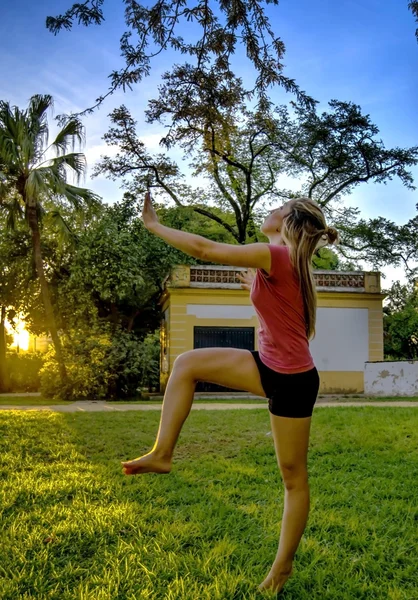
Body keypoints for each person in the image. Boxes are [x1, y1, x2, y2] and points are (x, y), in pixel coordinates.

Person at [122, 192, 338, 594]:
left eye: (279, 207)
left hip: (292, 380)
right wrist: (253, 292)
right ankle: (162, 454)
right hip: (267, 366)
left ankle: (282, 569)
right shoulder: (282, 263)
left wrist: (154, 226)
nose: (270, 209)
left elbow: (205, 248)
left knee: (293, 479)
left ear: (287, 222)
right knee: (186, 364)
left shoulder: (275, 256)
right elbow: (283, 318)